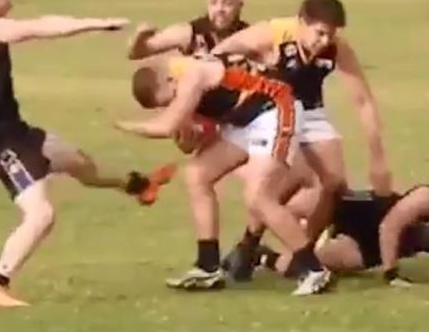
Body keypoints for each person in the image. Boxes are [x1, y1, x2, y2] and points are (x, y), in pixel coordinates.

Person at [0, 0, 174, 307]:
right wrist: (95, 24)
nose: (13, 2)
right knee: (41, 215)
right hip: (0, 142)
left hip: (13, 131)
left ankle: (139, 186)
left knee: (78, 163)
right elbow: (41, 28)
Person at [116, 53, 332, 296]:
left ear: (169, 80)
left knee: (258, 197)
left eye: (169, 100)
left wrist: (128, 126)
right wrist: (189, 131)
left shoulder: (191, 73)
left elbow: (166, 126)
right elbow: (189, 143)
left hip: (274, 109)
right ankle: (208, 267)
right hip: (243, 121)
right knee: (197, 174)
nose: (171, 105)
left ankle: (314, 270)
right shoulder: (181, 90)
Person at [211, 0, 392, 272]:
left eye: (330, 35)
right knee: (276, 184)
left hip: (310, 111)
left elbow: (363, 100)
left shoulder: (336, 48)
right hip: (272, 112)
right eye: (319, 33)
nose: (324, 41)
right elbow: (220, 53)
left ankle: (298, 252)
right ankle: (255, 247)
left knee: (334, 182)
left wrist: (378, 157)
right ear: (301, 23)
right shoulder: (273, 33)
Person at [234, 181, 429, 285]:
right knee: (288, 206)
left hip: (369, 249)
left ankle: (261, 256)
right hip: (363, 211)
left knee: (306, 268)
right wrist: (392, 274)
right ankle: (245, 245)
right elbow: (389, 226)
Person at [127, 0, 248, 60]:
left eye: (227, 3)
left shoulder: (249, 35)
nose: (220, 9)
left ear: (239, 6)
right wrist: (140, 36)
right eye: (214, 2)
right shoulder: (189, 33)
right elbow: (137, 53)